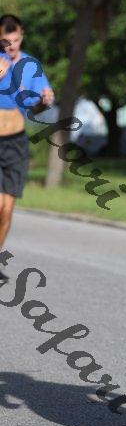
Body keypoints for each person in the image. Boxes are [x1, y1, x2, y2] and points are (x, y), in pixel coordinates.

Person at [0, 14, 54, 281]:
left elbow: (36, 107)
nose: (12, 46)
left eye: (16, 40)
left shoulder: (30, 66)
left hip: (16, 142)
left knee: (7, 208)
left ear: (22, 36)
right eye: (6, 41)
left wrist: (44, 101)